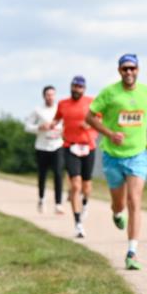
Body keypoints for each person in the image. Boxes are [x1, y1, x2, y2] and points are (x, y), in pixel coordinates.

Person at [84, 54, 147, 270]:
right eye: (125, 69)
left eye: (132, 68)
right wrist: (109, 133)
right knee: (119, 204)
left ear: (138, 70)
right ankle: (117, 214)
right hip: (113, 156)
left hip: (138, 155)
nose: (129, 72)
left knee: (134, 201)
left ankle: (132, 252)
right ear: (119, 71)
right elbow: (89, 117)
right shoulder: (110, 93)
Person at [56, 75, 99, 238]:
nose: (77, 89)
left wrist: (89, 124)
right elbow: (57, 119)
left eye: (80, 87)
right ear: (71, 87)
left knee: (87, 186)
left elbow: (100, 120)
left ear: (84, 89)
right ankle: (78, 223)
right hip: (70, 146)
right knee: (75, 185)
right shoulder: (63, 104)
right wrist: (52, 126)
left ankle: (85, 204)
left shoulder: (92, 103)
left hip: (88, 146)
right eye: (75, 86)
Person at [24, 85, 65, 214]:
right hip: (42, 147)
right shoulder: (37, 110)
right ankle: (41, 198)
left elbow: (66, 124)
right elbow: (27, 126)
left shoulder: (60, 109)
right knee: (42, 175)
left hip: (57, 145)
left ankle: (58, 204)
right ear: (44, 96)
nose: (50, 97)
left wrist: (62, 131)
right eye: (48, 94)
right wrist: (39, 127)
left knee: (58, 174)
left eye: (53, 94)